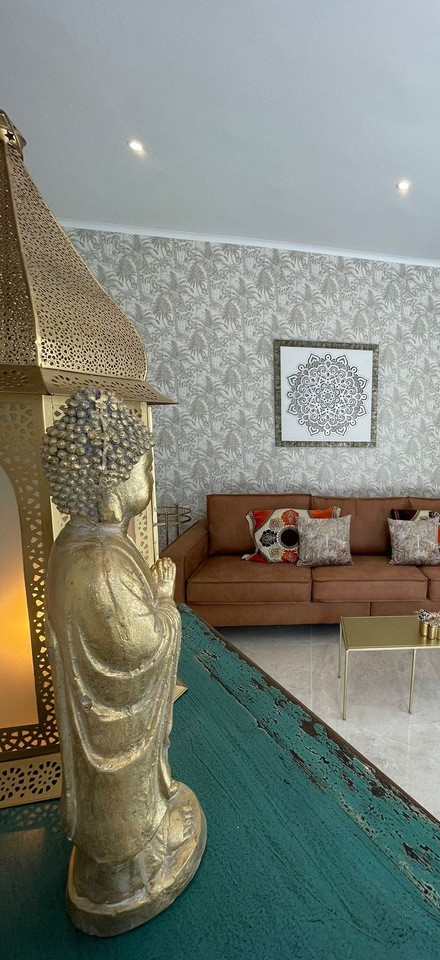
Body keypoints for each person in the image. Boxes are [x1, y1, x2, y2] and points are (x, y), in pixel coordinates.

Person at [42, 388, 205, 937]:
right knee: (119, 806)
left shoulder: (83, 544)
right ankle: (129, 870)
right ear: (108, 490)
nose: (150, 481)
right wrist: (164, 600)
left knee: (121, 798)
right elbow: (139, 646)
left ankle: (125, 860)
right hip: (112, 727)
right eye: (142, 470)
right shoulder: (99, 564)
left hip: (105, 715)